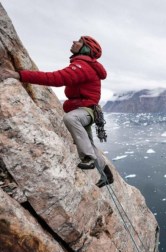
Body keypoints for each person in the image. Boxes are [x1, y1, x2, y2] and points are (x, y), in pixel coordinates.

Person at [0, 36, 114, 188]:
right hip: (88, 110)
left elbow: (55, 78)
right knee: (88, 144)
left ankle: (88, 158)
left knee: (71, 119)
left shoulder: (83, 66)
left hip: (84, 111)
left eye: (79, 42)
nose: (74, 42)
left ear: (86, 48)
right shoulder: (84, 65)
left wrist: (19, 75)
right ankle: (106, 175)